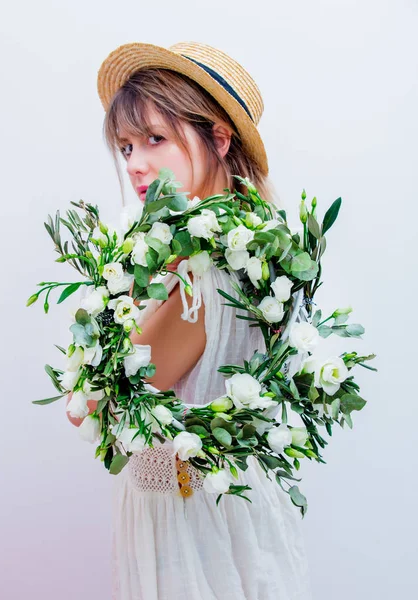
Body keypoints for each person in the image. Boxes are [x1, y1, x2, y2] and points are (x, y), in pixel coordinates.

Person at [68, 41, 313, 599]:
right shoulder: (254, 255)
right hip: (219, 510)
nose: (134, 163)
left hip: (195, 523)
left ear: (219, 139)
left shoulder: (205, 280)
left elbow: (105, 402)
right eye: (126, 145)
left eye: (156, 138)